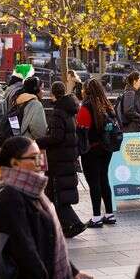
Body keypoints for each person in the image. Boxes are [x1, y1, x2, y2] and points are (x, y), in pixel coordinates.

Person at [0, 136, 93, 279]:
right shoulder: (11, 197)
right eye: (34, 157)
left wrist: (73, 272)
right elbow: (24, 247)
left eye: (41, 156)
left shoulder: (33, 192)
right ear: (15, 163)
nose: (40, 162)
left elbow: (49, 240)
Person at [37, 82, 86, 238]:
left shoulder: (58, 112)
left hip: (59, 160)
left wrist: (39, 141)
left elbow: (56, 137)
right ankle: (57, 226)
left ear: (53, 94)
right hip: (67, 158)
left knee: (58, 195)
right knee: (54, 194)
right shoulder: (70, 110)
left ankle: (74, 223)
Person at [77, 78, 117, 228]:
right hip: (106, 148)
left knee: (93, 182)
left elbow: (81, 130)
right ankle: (109, 214)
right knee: (103, 178)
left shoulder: (86, 107)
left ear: (86, 91)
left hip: (91, 150)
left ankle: (96, 217)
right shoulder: (107, 105)